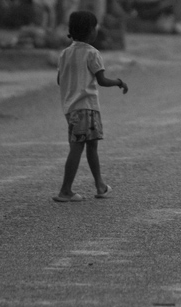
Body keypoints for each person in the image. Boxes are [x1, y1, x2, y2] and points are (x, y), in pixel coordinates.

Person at [54, 11, 128, 202]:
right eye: (95, 27)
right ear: (90, 31)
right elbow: (102, 80)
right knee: (80, 147)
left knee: (89, 145)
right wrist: (119, 82)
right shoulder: (92, 53)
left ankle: (100, 185)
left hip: (70, 108)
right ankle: (65, 190)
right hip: (87, 106)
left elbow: (59, 80)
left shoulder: (65, 53)